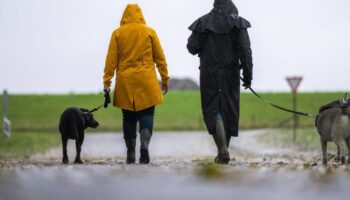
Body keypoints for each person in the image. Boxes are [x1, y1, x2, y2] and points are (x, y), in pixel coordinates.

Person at [187, 0, 253, 164]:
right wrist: (248, 75)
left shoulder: (203, 23)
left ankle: (222, 150)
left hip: (209, 74)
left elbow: (191, 47)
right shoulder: (238, 23)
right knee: (228, 110)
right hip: (231, 74)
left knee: (213, 109)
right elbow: (245, 51)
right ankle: (223, 150)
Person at [103, 4, 169, 164]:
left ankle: (131, 153)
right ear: (141, 15)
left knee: (128, 118)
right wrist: (165, 78)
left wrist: (107, 83)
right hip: (146, 81)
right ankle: (144, 146)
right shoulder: (149, 32)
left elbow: (111, 61)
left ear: (124, 16)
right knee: (147, 115)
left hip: (126, 82)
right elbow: (160, 58)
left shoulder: (117, 33)